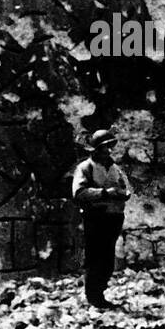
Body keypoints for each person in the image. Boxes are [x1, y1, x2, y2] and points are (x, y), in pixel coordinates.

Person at [71, 128, 131, 308]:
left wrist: (123, 193)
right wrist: (104, 193)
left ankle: (101, 293)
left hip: (113, 218)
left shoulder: (115, 168)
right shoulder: (85, 168)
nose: (108, 151)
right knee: (94, 258)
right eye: (104, 147)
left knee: (107, 259)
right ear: (95, 149)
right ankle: (93, 296)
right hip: (95, 218)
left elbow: (124, 187)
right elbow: (79, 193)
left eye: (110, 147)